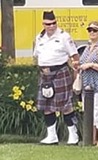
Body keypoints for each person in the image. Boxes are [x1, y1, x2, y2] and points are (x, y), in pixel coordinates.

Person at [34, 11, 80, 145]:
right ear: (43, 24)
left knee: (66, 105)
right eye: (48, 24)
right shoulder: (39, 37)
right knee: (47, 105)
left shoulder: (64, 37)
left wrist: (77, 74)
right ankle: (52, 136)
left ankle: (73, 134)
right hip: (45, 75)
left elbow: (75, 56)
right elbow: (36, 55)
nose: (51, 26)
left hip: (60, 72)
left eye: (54, 23)